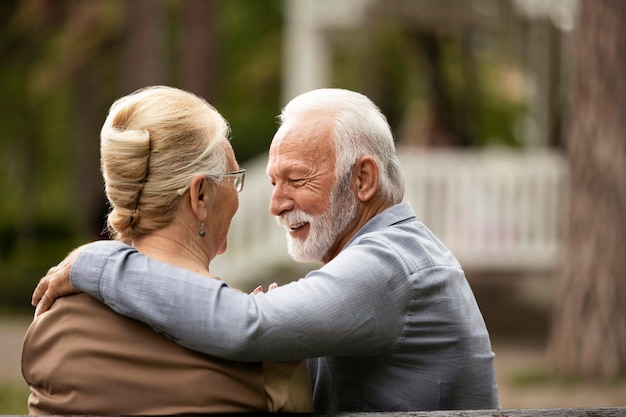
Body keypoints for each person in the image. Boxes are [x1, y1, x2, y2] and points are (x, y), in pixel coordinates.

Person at [33, 88, 500, 413]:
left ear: (363, 180)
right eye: (272, 182)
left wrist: (101, 260)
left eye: (296, 180)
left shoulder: (392, 265)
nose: (276, 204)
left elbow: (246, 328)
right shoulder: (389, 254)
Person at [21, 86, 312, 415]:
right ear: (200, 195)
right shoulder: (258, 353)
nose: (238, 194)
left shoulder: (51, 326)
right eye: (233, 177)